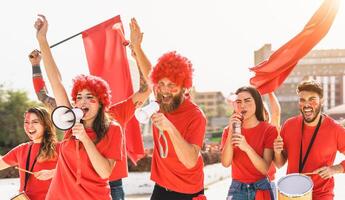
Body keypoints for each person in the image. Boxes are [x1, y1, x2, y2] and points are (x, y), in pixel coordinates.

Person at [29, 17, 151, 200]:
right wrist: (42, 41)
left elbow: (146, 88)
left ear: (102, 101)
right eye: (79, 97)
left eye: (90, 97)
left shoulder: (114, 121)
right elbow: (56, 83)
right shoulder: (70, 119)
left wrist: (138, 51)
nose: (82, 102)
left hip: (104, 189)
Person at [148, 51, 207, 200]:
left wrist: (170, 128)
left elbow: (190, 161)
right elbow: (146, 70)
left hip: (187, 191)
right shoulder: (162, 100)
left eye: (172, 85)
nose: (165, 90)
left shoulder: (196, 115)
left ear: (184, 87)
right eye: (161, 84)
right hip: (161, 187)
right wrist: (137, 48)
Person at [273, 79, 345, 200]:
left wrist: (335, 169)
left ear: (322, 101)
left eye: (312, 100)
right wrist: (277, 151)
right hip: (292, 194)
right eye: (302, 100)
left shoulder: (336, 129)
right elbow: (279, 164)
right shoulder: (289, 125)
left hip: (322, 195)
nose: (306, 104)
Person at [221, 86, 277, 200]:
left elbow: (265, 169)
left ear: (257, 103)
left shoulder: (269, 130)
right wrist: (231, 130)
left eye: (247, 101)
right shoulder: (228, 130)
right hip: (237, 189)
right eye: (238, 102)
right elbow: (225, 163)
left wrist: (247, 147)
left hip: (261, 187)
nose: (242, 105)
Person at [0, 107, 59, 200]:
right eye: (26, 122)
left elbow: (77, 172)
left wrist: (53, 173)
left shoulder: (60, 148)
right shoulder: (21, 149)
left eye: (35, 122)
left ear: (46, 125)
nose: (29, 126)